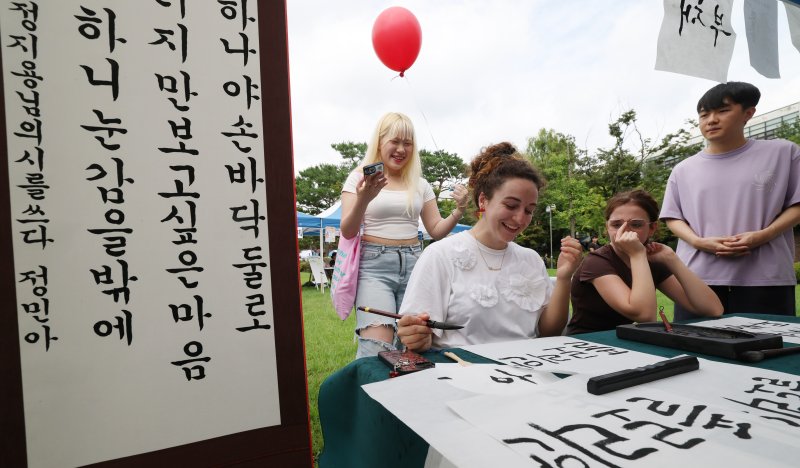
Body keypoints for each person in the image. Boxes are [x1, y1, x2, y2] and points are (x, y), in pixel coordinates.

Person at [396, 142, 582, 352]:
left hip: (528, 373)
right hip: (461, 373)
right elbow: (416, 333)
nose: (520, 218)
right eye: (511, 205)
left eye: (529, 210)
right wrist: (416, 337)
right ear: (483, 200)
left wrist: (564, 277)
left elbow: (549, 333)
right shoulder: (440, 255)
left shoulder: (531, 259)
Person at [660, 82, 800, 320]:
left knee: (768, 349)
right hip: (697, 279)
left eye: (722, 111)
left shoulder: (783, 153)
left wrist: (763, 235)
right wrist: (700, 242)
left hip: (765, 276)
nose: (711, 120)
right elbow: (673, 217)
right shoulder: (683, 169)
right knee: (697, 350)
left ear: (748, 113)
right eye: (704, 114)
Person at [340, 112, 470, 358]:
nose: (401, 149)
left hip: (415, 264)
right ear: (380, 142)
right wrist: (365, 198)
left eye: (407, 143)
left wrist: (459, 211)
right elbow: (348, 230)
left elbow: (436, 230)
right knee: (376, 349)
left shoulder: (420, 184)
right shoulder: (359, 178)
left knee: (417, 343)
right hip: (374, 268)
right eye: (395, 141)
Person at [567, 190, 722, 335]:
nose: (625, 230)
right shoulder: (597, 262)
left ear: (652, 228)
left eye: (636, 224)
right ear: (607, 228)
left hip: (624, 342)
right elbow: (645, 315)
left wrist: (671, 259)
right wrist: (637, 254)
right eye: (616, 224)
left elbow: (713, 309)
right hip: (587, 343)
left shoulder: (652, 259)